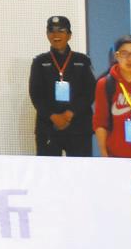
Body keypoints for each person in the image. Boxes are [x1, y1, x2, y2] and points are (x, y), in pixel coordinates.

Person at [30, 14, 96, 156]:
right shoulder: (39, 62)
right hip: (49, 126)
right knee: (48, 173)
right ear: (47, 34)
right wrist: (53, 116)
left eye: (61, 30)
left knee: (80, 172)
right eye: (51, 31)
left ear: (69, 35)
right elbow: (36, 95)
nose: (56, 35)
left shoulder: (82, 61)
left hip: (79, 126)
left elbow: (90, 92)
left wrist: (70, 113)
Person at [94, 34, 131, 220]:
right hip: (119, 159)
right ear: (116, 56)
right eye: (125, 54)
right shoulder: (106, 84)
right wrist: (105, 155)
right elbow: (100, 122)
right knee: (123, 211)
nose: (130, 59)